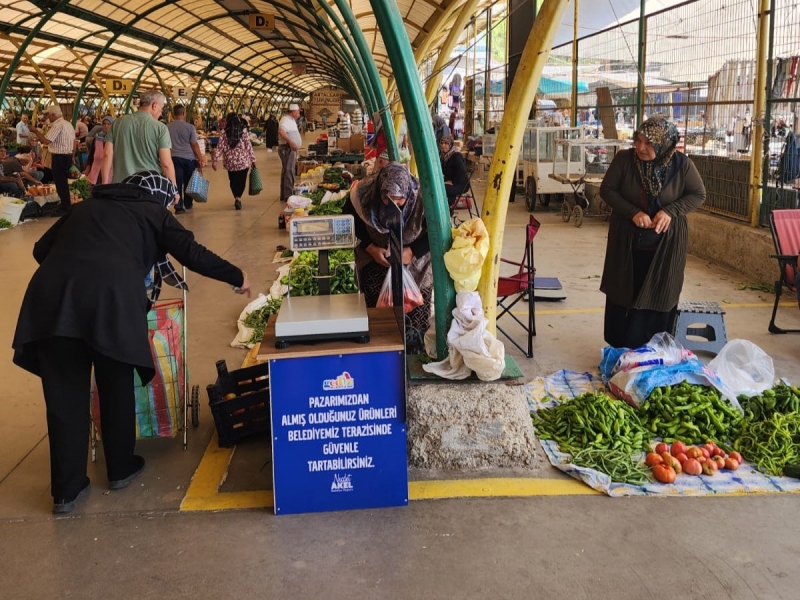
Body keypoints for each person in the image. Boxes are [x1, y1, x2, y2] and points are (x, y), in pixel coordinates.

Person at [11, 170, 251, 514]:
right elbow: (192, 253)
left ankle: (66, 490)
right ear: (159, 195)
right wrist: (237, 275)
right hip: (111, 301)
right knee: (115, 383)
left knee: (64, 398)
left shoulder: (85, 208)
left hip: (52, 302)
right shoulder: (153, 211)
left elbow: (39, 250)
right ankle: (120, 468)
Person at [599, 117, 706, 349]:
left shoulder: (682, 165)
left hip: (665, 246)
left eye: (648, 143)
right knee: (623, 291)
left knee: (659, 293)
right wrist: (632, 212)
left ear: (664, 144)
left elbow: (698, 194)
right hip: (627, 243)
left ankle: (652, 350)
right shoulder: (624, 160)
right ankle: (621, 350)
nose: (640, 147)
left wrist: (670, 211)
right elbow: (607, 190)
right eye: (638, 140)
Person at [343, 163, 432, 351]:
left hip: (416, 263)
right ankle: (380, 349)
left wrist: (412, 251)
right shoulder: (363, 195)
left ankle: (413, 349)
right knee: (379, 314)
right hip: (377, 257)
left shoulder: (424, 198)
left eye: (400, 200)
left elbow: (437, 231)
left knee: (415, 308)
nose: (395, 205)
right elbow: (350, 221)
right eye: (388, 199)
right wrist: (371, 248)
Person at [101, 90, 176, 190]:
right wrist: (174, 189)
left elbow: (107, 154)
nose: (161, 113)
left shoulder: (117, 123)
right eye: (161, 108)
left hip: (121, 187)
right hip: (150, 187)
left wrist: (104, 184)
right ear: (154, 105)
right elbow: (166, 164)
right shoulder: (161, 128)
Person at [28, 105, 76, 214]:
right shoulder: (68, 124)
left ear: (53, 115)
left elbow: (46, 141)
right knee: (62, 182)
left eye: (48, 114)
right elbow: (73, 143)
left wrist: (35, 131)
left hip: (59, 157)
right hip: (67, 156)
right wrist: (72, 156)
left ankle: (65, 207)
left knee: (60, 183)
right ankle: (66, 205)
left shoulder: (57, 125)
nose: (47, 117)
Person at [212, 113, 256, 210]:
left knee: (232, 180)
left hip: (230, 162)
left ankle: (236, 196)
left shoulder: (224, 133)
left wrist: (215, 160)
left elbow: (220, 148)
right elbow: (249, 147)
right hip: (243, 162)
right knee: (241, 180)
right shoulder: (243, 132)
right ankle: (238, 197)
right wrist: (253, 160)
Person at [168, 104, 205, 214]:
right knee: (189, 182)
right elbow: (194, 145)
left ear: (174, 114)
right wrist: (200, 158)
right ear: (184, 113)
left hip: (174, 158)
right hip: (189, 159)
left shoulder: (167, 127)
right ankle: (188, 203)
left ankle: (178, 206)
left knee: (177, 182)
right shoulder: (190, 127)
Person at [278, 103, 302, 202]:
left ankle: (284, 194)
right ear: (293, 112)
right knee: (289, 171)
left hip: (289, 149)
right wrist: (291, 142)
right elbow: (281, 131)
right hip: (286, 148)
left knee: (287, 171)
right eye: (298, 112)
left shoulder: (291, 120)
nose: (299, 114)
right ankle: (288, 195)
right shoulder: (285, 120)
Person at [438, 135, 469, 211]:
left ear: (450, 144)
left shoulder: (456, 156)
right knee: (437, 187)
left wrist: (452, 182)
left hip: (460, 184)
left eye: (446, 143)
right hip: (450, 182)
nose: (443, 145)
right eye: (441, 143)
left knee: (441, 189)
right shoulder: (443, 156)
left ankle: (446, 210)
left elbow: (462, 172)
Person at [84, 116, 114, 185]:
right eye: (104, 124)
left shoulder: (115, 138)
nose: (106, 126)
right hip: (96, 170)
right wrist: (88, 168)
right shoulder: (97, 138)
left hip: (109, 171)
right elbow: (91, 154)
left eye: (108, 124)